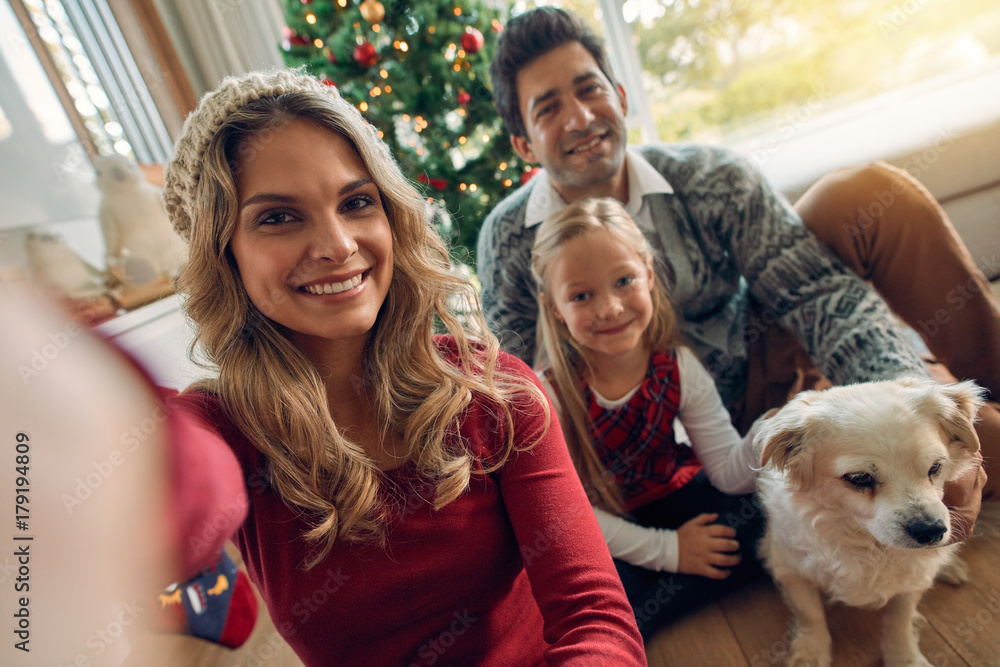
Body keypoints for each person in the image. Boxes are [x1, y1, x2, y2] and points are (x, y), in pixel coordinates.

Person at [154, 68, 645, 666]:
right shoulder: (221, 428)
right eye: (278, 217)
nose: (337, 244)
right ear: (222, 251)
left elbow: (598, 622)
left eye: (357, 202)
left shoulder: (498, 392)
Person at [476, 7, 997, 509]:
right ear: (523, 144)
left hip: (762, 379)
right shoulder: (507, 238)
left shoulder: (712, 177)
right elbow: (514, 395)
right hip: (641, 451)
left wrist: (909, 418)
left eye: (590, 90)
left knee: (861, 194)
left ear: (621, 95)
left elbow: (822, 295)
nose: (581, 118)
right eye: (549, 108)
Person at [530, 197, 768, 637]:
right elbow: (570, 516)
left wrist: (768, 431)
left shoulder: (678, 367)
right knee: (580, 588)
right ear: (555, 310)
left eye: (624, 281)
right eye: (582, 296)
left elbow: (729, 475)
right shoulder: (548, 394)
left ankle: (655, 604)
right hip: (606, 528)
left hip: (675, 495)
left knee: (765, 517)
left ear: (650, 277)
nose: (611, 308)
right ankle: (651, 605)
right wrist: (669, 551)